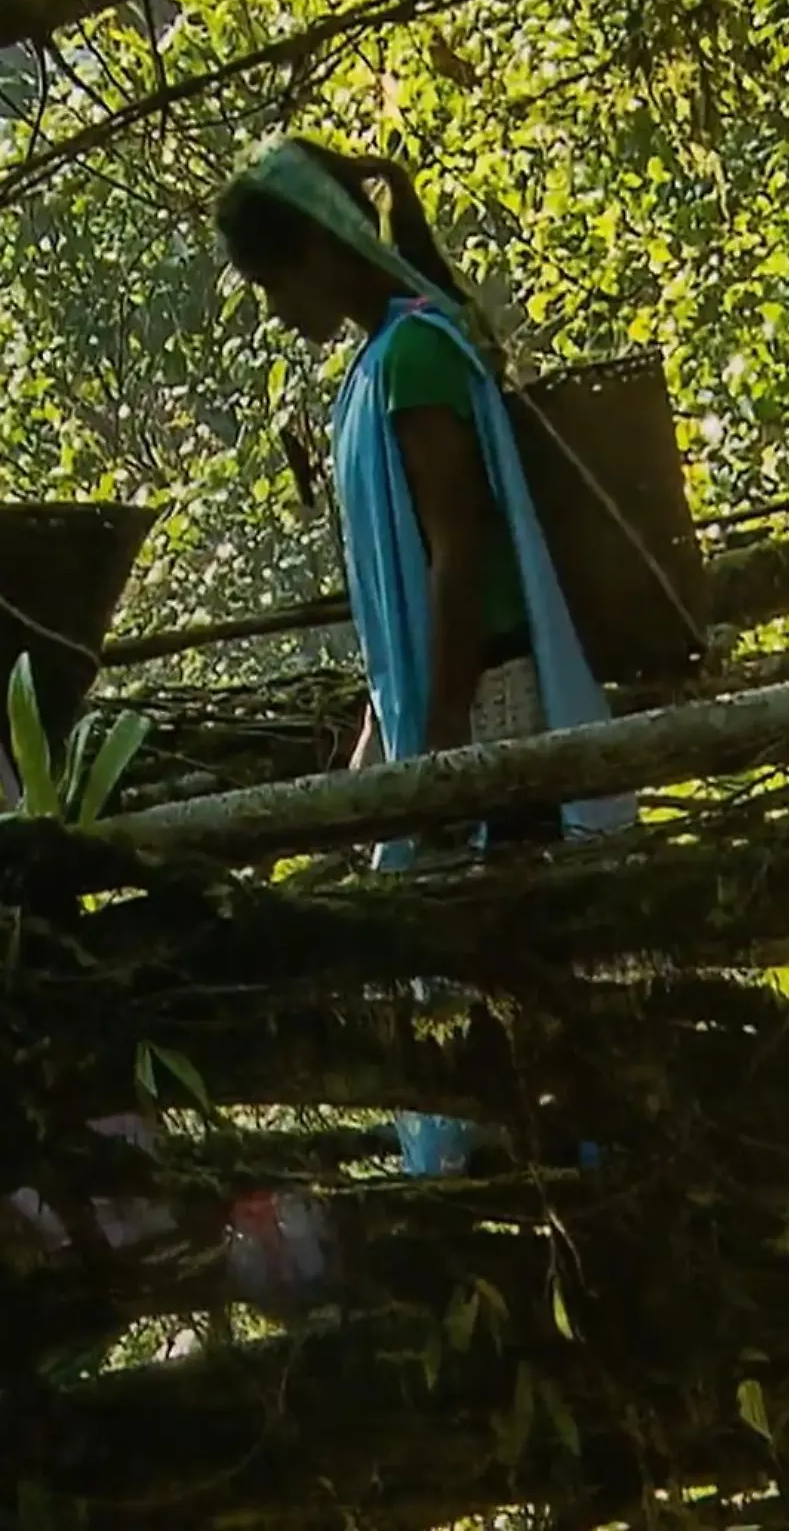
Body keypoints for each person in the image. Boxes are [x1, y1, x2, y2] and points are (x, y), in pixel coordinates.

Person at [217, 134, 634, 1164]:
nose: (278, 309)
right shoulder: (379, 362)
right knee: (483, 977)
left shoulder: (416, 353)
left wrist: (441, 735)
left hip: (491, 694)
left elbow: (456, 550)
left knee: (515, 964)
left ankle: (572, 1178)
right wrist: (386, 736)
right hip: (448, 698)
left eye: (275, 281)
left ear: (320, 248)